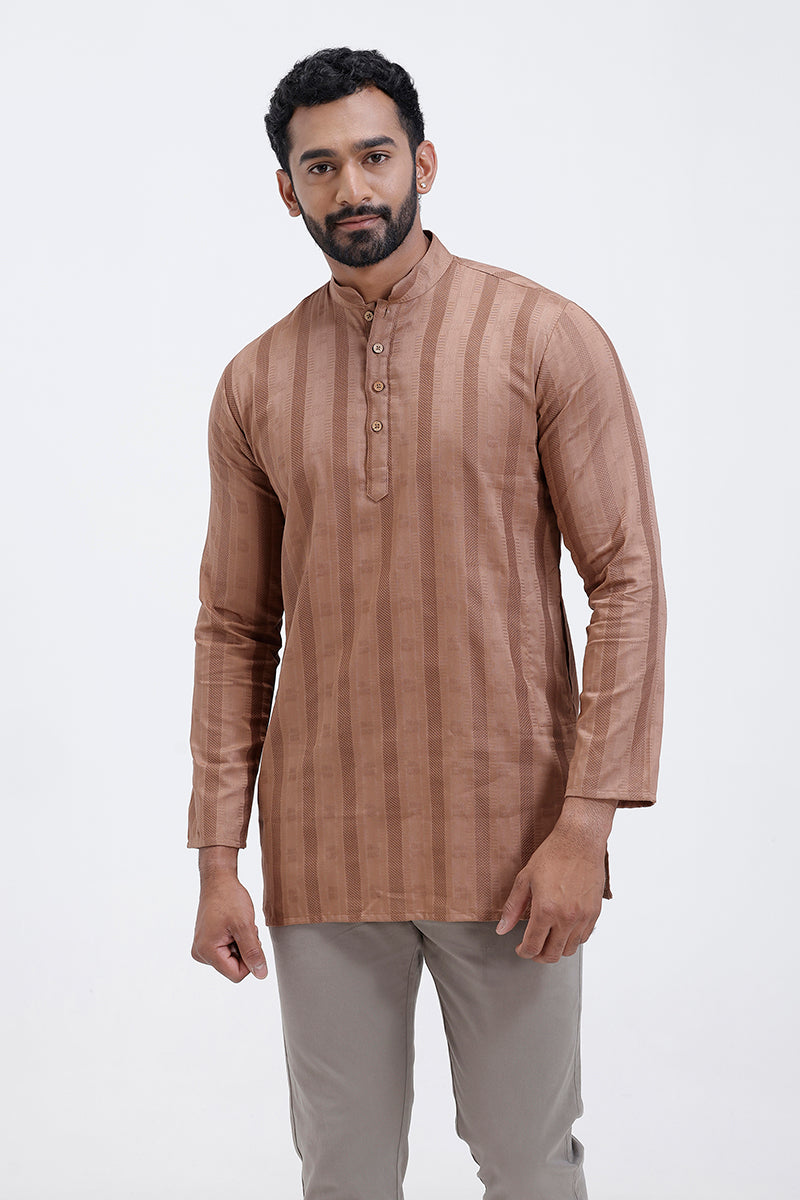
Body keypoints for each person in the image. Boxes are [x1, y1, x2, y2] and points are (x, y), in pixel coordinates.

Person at [188, 46, 666, 1200]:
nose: (351, 186)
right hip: (322, 852)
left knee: (526, 1162)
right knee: (343, 1171)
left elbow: (625, 581)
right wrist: (217, 861)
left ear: (424, 162)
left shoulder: (542, 337)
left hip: (510, 843)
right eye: (319, 166)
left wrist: (584, 827)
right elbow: (234, 626)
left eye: (374, 155)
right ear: (286, 189)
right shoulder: (254, 382)